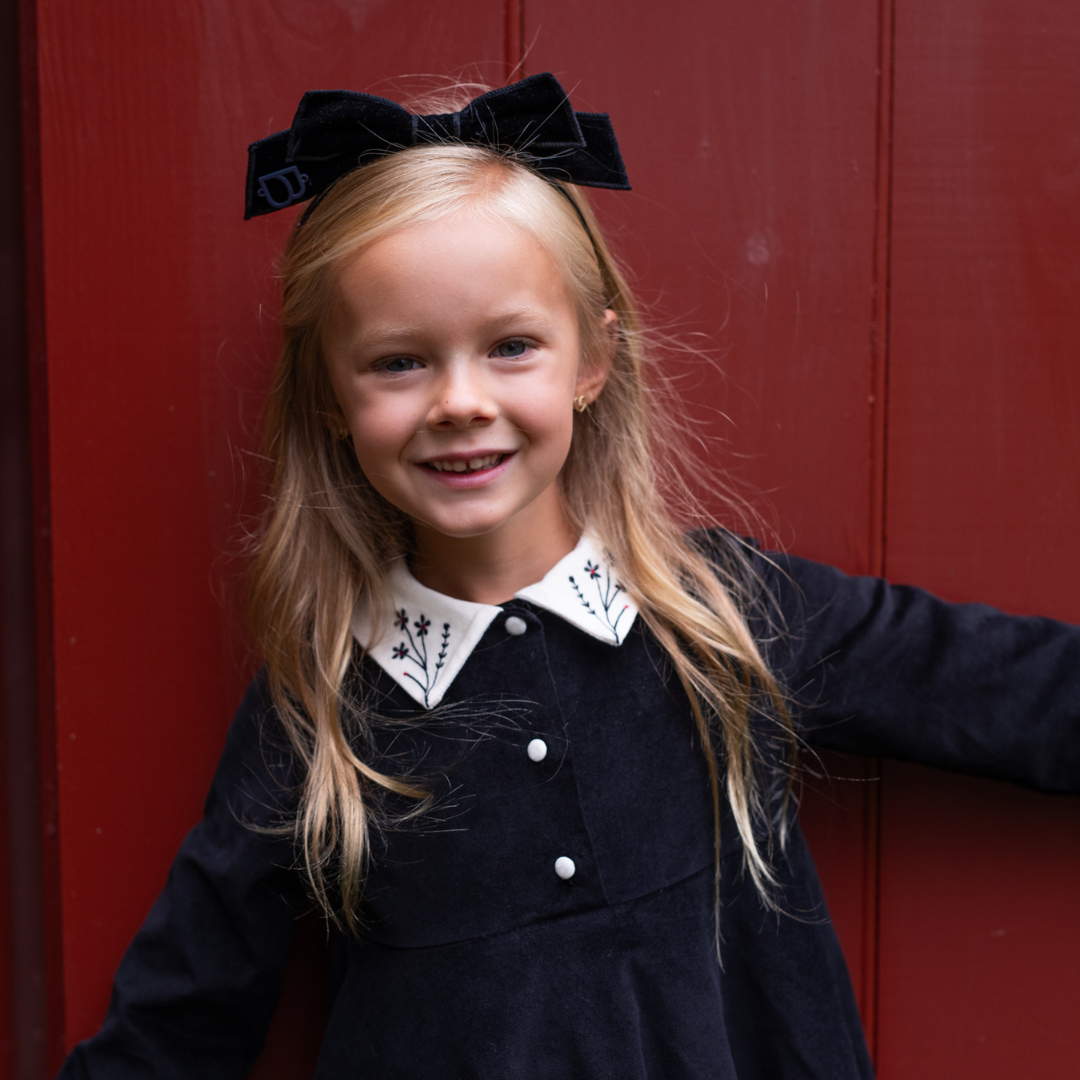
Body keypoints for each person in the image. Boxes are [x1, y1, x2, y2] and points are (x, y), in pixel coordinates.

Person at [58, 73, 1080, 1080]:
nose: (460, 400)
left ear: (593, 361)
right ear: (329, 396)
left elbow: (1002, 686)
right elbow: (181, 1018)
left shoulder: (721, 614)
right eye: (400, 362)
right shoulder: (318, 715)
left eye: (510, 347)